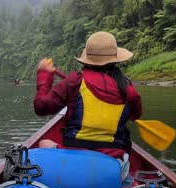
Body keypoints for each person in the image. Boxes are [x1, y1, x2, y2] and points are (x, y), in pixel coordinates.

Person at [33, 31, 142, 160]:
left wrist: (44, 75)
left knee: (43, 143)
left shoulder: (75, 82)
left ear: (87, 59)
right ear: (115, 60)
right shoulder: (127, 89)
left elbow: (40, 107)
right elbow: (135, 115)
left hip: (73, 156)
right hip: (112, 159)